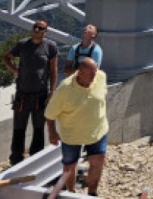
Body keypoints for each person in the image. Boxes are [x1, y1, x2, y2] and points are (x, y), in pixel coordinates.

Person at [45, 57, 108, 197]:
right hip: (72, 135)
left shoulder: (101, 77)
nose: (94, 76)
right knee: (70, 165)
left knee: (98, 160)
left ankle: (92, 193)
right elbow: (50, 114)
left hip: (97, 130)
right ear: (79, 72)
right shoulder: (65, 89)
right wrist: (52, 133)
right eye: (90, 73)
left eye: (95, 72)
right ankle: (71, 193)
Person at [2, 19, 58, 165]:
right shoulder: (22, 44)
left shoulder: (50, 46)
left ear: (46, 32)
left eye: (40, 28)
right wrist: (15, 71)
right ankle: (16, 159)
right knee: (19, 127)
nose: (36, 29)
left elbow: (53, 70)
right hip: (22, 94)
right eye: (35, 27)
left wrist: (52, 90)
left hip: (40, 94)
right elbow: (6, 58)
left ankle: (36, 159)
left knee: (39, 128)